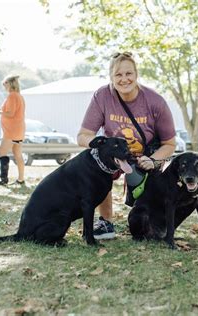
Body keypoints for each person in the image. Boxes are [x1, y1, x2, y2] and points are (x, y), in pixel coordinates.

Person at [77, 52, 176, 240]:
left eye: (128, 73)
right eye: (118, 75)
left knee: (145, 226)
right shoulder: (102, 96)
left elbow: (170, 143)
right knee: (95, 161)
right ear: (111, 77)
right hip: (113, 155)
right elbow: (83, 135)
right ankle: (105, 222)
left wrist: (152, 160)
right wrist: (97, 145)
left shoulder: (155, 101)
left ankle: (153, 219)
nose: (124, 79)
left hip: (143, 157)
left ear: (136, 74)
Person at [0, 75, 26, 185]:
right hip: (19, 129)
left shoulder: (12, 96)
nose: (3, 86)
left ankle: (3, 179)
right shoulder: (19, 96)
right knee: (18, 154)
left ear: (10, 84)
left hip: (11, 130)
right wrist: (1, 111)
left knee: (2, 152)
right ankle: (21, 179)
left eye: (4, 83)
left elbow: (10, 114)